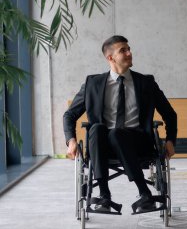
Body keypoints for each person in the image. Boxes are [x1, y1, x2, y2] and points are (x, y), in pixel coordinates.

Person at [63, 35, 177, 213]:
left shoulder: (146, 83)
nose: (129, 53)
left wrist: (170, 140)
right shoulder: (93, 83)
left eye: (129, 48)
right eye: (123, 50)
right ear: (110, 57)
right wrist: (70, 140)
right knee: (97, 128)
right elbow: (70, 115)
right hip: (102, 146)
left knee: (117, 133)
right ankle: (104, 196)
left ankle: (144, 193)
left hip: (138, 143)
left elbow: (169, 114)